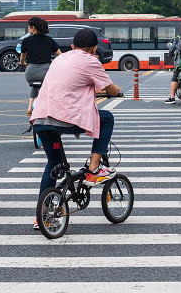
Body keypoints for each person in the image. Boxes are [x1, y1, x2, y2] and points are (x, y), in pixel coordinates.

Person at [32, 28, 122, 227]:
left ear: (73, 46)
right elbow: (112, 89)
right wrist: (117, 92)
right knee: (106, 118)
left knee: (53, 165)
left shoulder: (60, 59)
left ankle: (42, 216)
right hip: (63, 119)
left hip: (40, 119)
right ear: (94, 49)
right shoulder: (91, 60)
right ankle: (93, 169)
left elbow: (71, 83)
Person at [19, 17, 61, 115]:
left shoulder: (26, 40)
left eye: (29, 27)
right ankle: (49, 107)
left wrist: (22, 63)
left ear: (33, 28)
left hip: (31, 73)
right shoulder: (49, 40)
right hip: (45, 72)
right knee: (47, 87)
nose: (28, 29)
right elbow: (60, 54)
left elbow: (22, 56)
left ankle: (29, 107)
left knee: (34, 87)